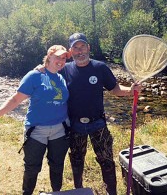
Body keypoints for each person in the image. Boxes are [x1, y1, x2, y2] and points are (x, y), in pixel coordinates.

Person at [36, 33, 141, 195]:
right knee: (77, 160)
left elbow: (115, 89)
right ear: (71, 52)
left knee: (106, 160)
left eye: (82, 46)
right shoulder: (65, 69)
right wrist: (39, 69)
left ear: (88, 47)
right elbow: (48, 74)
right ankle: (79, 190)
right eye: (76, 48)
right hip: (75, 125)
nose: (80, 51)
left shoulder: (100, 68)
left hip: (98, 123)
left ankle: (111, 192)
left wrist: (131, 90)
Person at [0, 45, 71, 195]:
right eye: (58, 57)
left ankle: (57, 192)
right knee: (32, 167)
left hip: (60, 130)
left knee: (57, 165)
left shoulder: (61, 77)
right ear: (49, 57)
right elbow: (15, 100)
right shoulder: (34, 76)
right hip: (36, 131)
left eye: (64, 58)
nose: (61, 61)